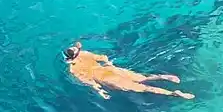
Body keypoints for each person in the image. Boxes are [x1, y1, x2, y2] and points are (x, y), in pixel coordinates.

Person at [64, 41, 193, 100]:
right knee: (142, 78)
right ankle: (163, 77)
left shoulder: (73, 69)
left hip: (107, 79)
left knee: (144, 88)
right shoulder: (84, 53)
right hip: (112, 70)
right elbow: (103, 57)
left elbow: (90, 82)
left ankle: (173, 93)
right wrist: (110, 65)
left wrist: (101, 92)